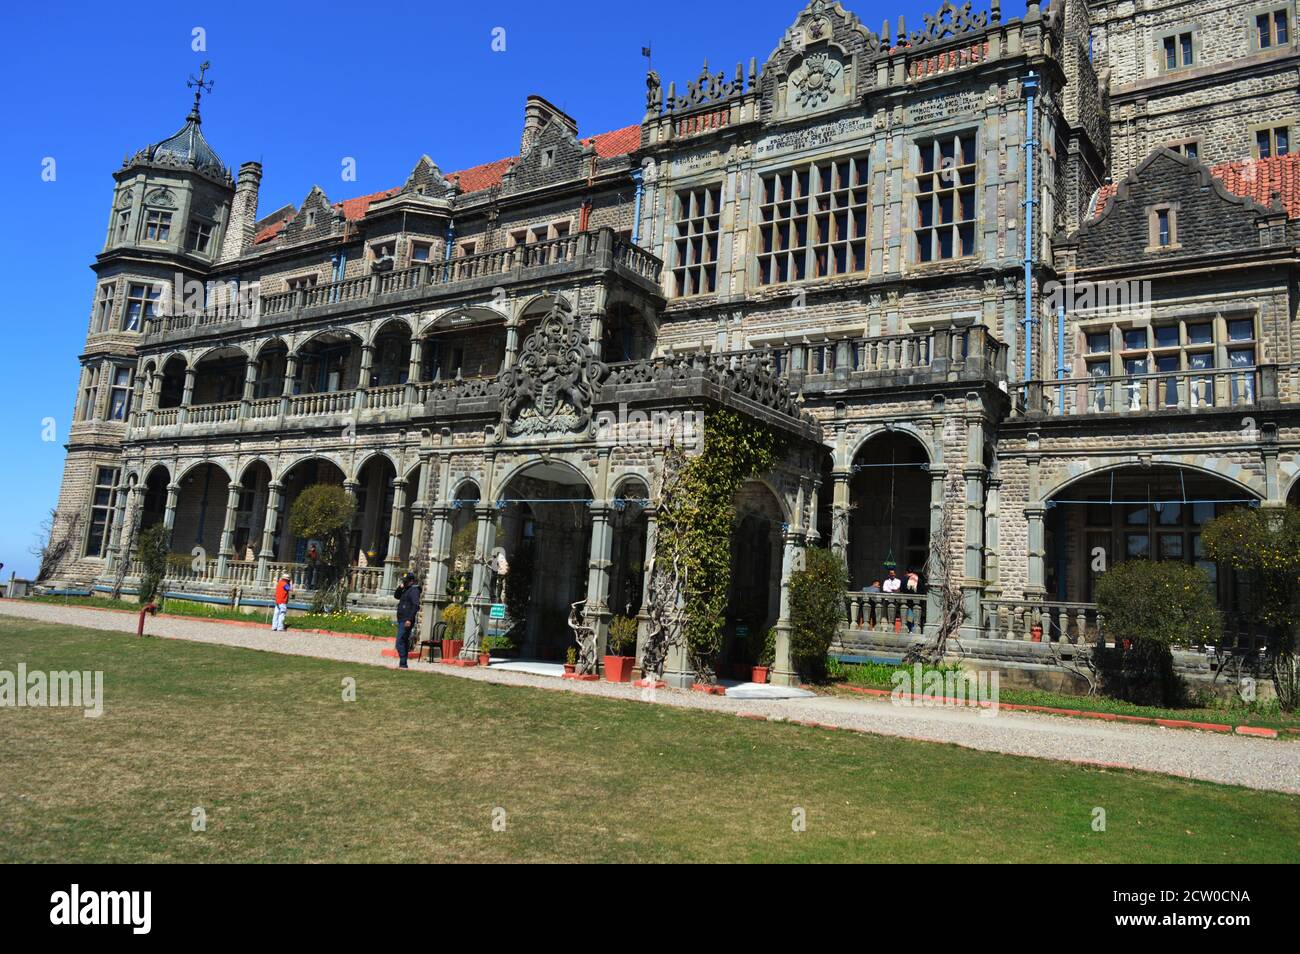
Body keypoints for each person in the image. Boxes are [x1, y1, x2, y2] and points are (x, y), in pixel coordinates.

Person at [395, 571, 421, 669]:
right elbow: (396, 596)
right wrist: (400, 587)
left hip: (406, 620)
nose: (404, 583)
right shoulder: (406, 589)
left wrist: (409, 619)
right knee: (404, 641)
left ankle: (403, 662)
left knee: (399, 642)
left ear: (411, 581)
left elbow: (415, 606)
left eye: (406, 581)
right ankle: (403, 664)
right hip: (402, 618)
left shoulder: (414, 590)